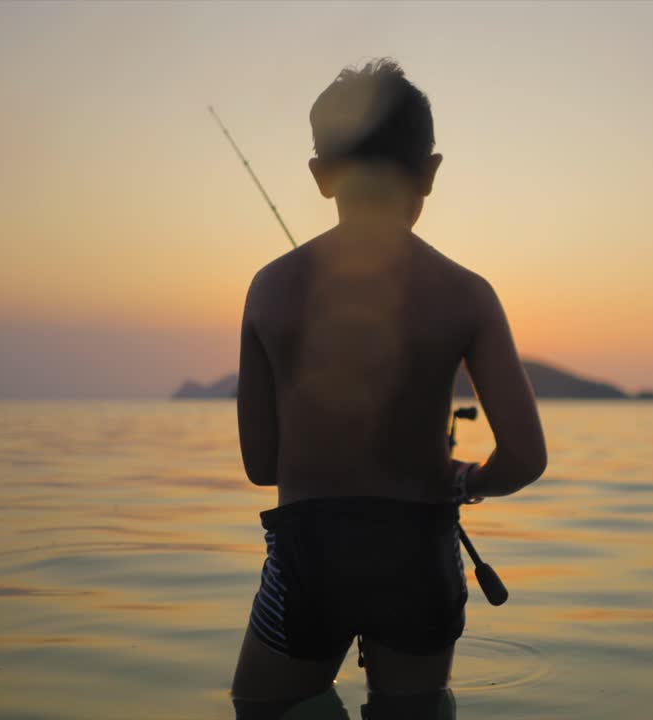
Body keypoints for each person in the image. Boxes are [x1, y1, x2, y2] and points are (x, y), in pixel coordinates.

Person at [230, 59, 547, 720]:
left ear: (321, 178)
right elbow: (525, 459)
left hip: (308, 555)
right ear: (429, 171)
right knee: (414, 710)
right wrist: (465, 480)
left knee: (266, 708)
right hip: (419, 556)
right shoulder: (467, 295)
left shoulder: (269, 288)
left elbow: (262, 467)